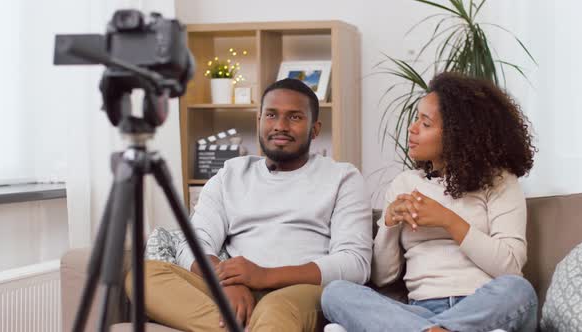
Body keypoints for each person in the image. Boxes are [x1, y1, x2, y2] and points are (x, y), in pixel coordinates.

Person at [125, 78, 372, 332]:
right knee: (143, 276)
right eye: (271, 115)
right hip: (237, 288)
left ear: (315, 128)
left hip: (301, 292)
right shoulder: (229, 174)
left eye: (295, 117)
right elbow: (195, 241)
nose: (280, 126)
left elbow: (355, 264)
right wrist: (227, 281)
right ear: (259, 121)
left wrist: (264, 276)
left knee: (275, 310)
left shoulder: (343, 177)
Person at [321, 72, 539, 332]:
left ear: (459, 135)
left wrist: (449, 221)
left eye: (425, 124)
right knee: (335, 293)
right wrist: (389, 223)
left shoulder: (500, 181)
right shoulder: (405, 184)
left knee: (519, 290)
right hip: (419, 310)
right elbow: (383, 278)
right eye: (416, 119)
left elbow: (511, 267)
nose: (412, 129)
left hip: (482, 306)